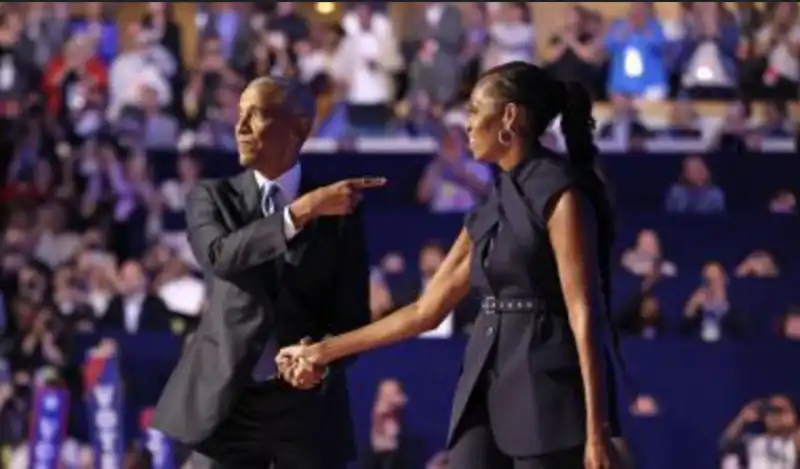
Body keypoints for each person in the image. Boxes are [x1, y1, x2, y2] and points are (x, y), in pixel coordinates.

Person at [278, 62, 625, 469]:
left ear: (509, 116)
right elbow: (425, 311)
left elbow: (584, 310)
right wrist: (324, 351)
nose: (467, 123)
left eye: (476, 110)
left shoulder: (560, 192)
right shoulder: (491, 204)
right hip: (486, 377)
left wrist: (597, 427)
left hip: (547, 387)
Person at [152, 76, 386, 469]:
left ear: (299, 126)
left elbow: (352, 317)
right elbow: (220, 255)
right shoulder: (212, 196)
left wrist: (320, 358)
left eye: (256, 115)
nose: (240, 127)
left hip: (306, 405)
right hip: (227, 401)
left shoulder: (341, 212)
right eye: (239, 114)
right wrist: (300, 212)